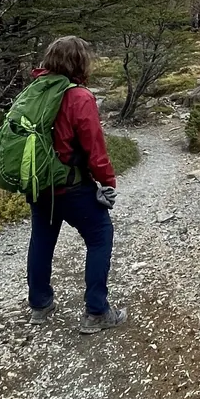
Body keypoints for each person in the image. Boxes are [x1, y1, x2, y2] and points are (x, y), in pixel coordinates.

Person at [25, 35, 126, 334]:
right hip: (70, 185)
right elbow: (95, 148)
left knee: (42, 238)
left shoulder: (36, 90)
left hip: (38, 183)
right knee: (100, 236)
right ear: (81, 62)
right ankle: (97, 312)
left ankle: (40, 305)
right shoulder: (79, 96)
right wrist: (107, 182)